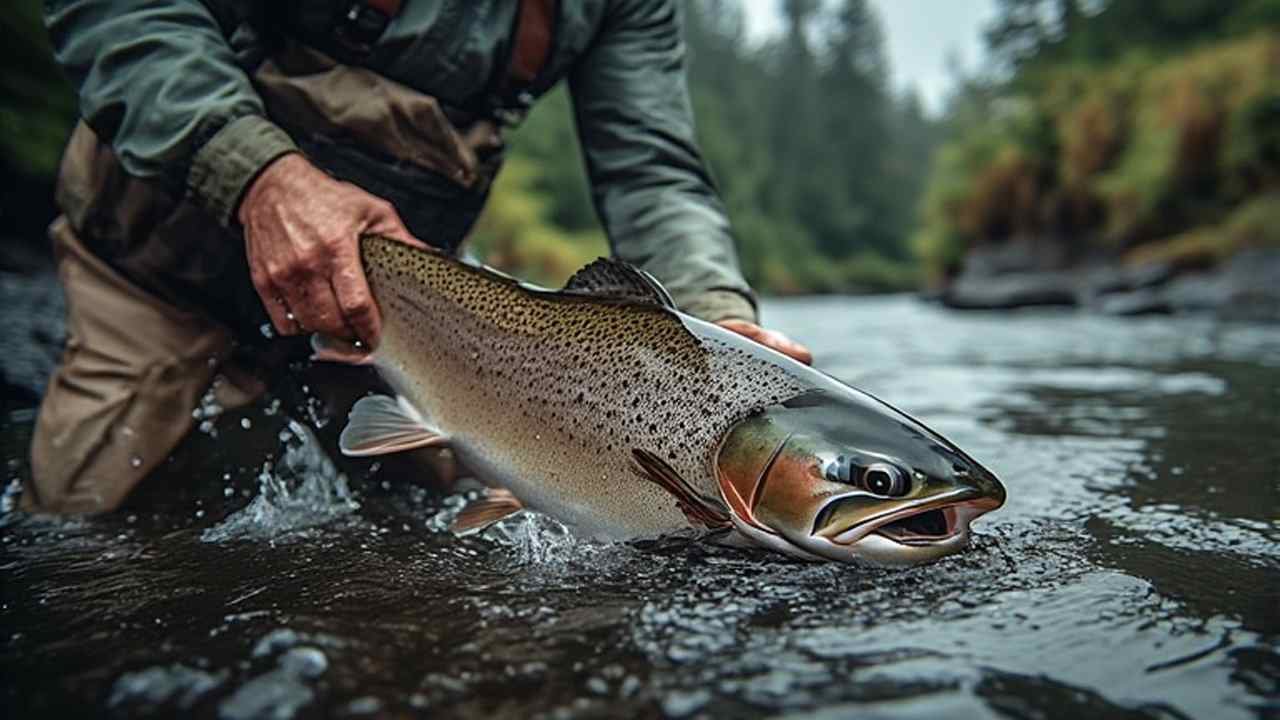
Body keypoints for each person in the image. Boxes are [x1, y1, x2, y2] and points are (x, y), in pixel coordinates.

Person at [24, 0, 812, 514]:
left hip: (403, 311)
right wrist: (257, 177)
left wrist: (715, 319)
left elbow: (652, 174)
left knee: (433, 538)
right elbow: (126, 14)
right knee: (85, 536)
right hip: (161, 264)